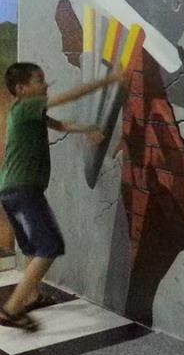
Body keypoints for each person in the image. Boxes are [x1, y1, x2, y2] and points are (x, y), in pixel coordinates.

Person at [0, 62, 124, 331]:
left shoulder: (26, 111)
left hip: (12, 190)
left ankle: (31, 297)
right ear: (21, 89)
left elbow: (59, 125)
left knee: (32, 247)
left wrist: (87, 129)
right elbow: (71, 96)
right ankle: (11, 309)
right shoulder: (27, 107)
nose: (46, 85)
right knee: (50, 246)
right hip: (23, 190)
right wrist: (108, 80)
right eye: (39, 80)